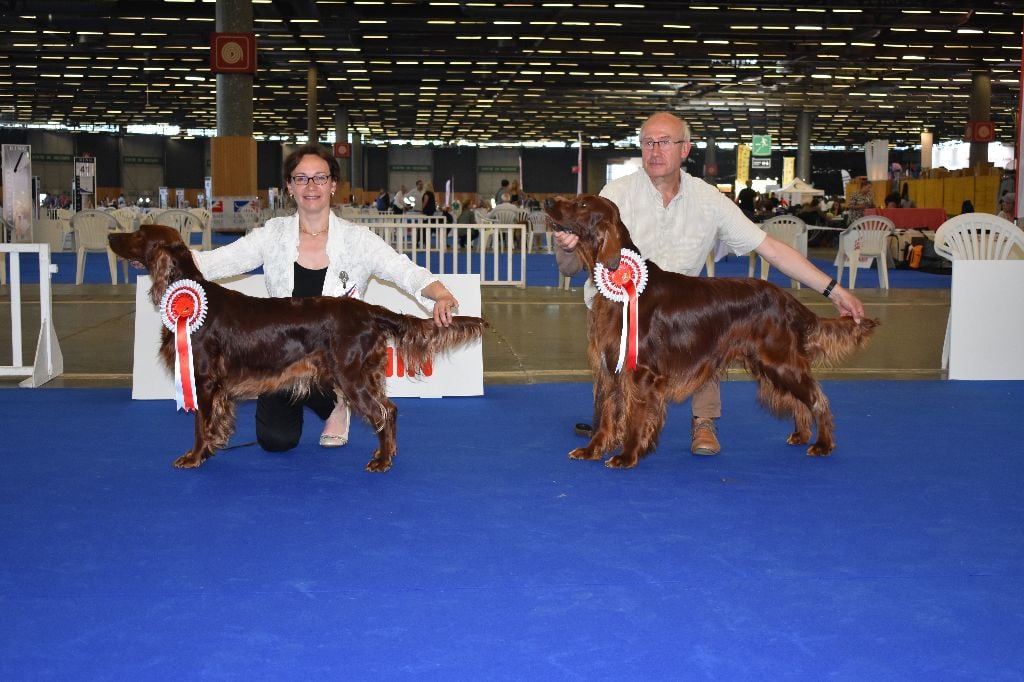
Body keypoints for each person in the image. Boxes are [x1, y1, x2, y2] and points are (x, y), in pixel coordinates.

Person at [554, 112, 866, 457]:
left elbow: (771, 249)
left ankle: (704, 421)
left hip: (682, 307)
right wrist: (566, 245)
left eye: (664, 142)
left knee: (708, 327)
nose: (655, 151)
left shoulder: (709, 199)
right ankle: (609, 428)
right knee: (614, 384)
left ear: (685, 149)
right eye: (647, 143)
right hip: (616, 310)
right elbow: (572, 266)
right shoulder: (616, 193)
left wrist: (834, 290)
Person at [191, 144, 461, 453]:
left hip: (336, 355)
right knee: (276, 441)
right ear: (289, 187)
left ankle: (340, 401)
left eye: (320, 177)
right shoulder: (273, 234)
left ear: (333, 184)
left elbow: (403, 270)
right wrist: (165, 256)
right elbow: (218, 261)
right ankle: (321, 399)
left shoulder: (357, 239)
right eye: (301, 178)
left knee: (344, 372)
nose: (311, 186)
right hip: (282, 356)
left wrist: (438, 293)